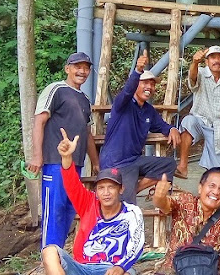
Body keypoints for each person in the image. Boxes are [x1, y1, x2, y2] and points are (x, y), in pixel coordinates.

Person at [42, 128, 144, 275]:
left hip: (113, 268)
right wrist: (66, 158)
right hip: (83, 268)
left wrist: (121, 267)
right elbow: (72, 184)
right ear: (96, 191)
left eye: (111, 187)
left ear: (121, 189)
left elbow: (137, 243)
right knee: (49, 251)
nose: (106, 193)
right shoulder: (89, 203)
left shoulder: (132, 213)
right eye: (101, 188)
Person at [28, 52, 100, 248]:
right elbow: (39, 121)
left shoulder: (84, 99)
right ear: (67, 68)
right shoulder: (56, 89)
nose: (82, 71)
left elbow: (87, 133)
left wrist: (95, 162)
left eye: (86, 68)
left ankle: (57, 256)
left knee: (69, 209)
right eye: (77, 66)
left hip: (75, 166)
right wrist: (37, 157)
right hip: (54, 162)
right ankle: (48, 259)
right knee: (54, 209)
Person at [99, 50, 181, 204]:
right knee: (128, 205)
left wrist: (171, 129)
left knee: (169, 164)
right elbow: (127, 90)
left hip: (134, 161)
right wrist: (137, 71)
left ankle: (133, 189)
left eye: (152, 83)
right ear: (136, 84)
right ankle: (128, 192)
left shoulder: (148, 110)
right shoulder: (123, 103)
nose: (149, 86)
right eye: (145, 82)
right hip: (116, 163)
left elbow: (161, 125)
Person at [153, 168, 220, 275]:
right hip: (174, 271)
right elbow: (163, 204)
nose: (216, 192)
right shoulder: (184, 201)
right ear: (200, 188)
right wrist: (159, 196)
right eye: (212, 186)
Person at [176, 46, 220, 177]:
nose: (216, 61)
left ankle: (208, 190)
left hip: (219, 125)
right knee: (188, 122)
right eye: (213, 57)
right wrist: (195, 62)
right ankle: (183, 166)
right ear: (207, 61)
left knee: (214, 170)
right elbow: (192, 78)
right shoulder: (200, 72)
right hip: (200, 119)